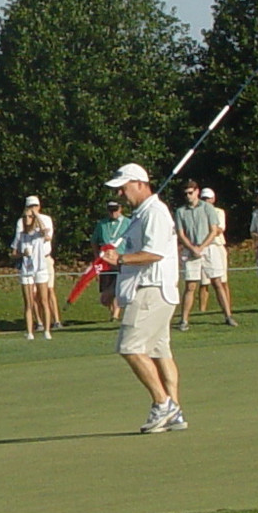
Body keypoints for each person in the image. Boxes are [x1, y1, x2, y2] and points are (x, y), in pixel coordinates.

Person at [102, 162, 185, 432]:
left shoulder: (156, 214)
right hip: (148, 288)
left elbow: (154, 253)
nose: (120, 195)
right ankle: (174, 410)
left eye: (124, 188)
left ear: (139, 184)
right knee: (160, 351)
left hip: (152, 290)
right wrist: (115, 287)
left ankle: (163, 404)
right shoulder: (142, 214)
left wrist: (120, 259)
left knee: (130, 347)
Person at [13, 197, 57, 339]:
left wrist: (36, 215)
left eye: (29, 216)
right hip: (26, 270)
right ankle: (30, 332)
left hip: (40, 268)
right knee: (29, 302)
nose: (27, 219)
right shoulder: (21, 235)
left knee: (44, 299)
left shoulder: (38, 234)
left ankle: (47, 330)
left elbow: (46, 233)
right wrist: (21, 253)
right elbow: (14, 252)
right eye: (25, 216)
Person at [173, 179, 213, 331]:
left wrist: (201, 247)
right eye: (186, 194)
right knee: (190, 286)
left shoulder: (207, 207)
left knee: (217, 282)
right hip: (190, 251)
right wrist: (192, 248)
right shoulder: (181, 211)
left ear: (197, 191)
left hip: (207, 248)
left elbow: (214, 230)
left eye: (191, 193)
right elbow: (181, 234)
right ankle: (184, 320)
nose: (188, 196)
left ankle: (228, 316)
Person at [195, 187, 237, 326]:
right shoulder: (198, 211)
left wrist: (206, 229)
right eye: (204, 198)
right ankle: (202, 310)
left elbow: (219, 230)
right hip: (203, 248)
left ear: (213, 199)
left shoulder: (219, 212)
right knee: (203, 283)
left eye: (209, 198)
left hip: (217, 247)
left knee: (221, 281)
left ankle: (227, 310)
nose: (207, 201)